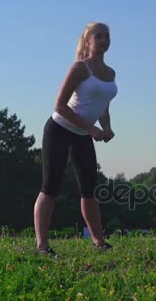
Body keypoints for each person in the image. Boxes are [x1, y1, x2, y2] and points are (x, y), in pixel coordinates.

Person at [34, 22, 118, 256]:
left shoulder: (110, 73)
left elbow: (102, 107)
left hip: (83, 135)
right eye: (98, 36)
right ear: (88, 41)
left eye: (107, 36)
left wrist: (107, 127)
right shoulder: (80, 68)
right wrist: (91, 129)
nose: (104, 40)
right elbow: (60, 106)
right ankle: (42, 246)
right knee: (50, 187)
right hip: (59, 130)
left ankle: (99, 242)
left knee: (89, 190)